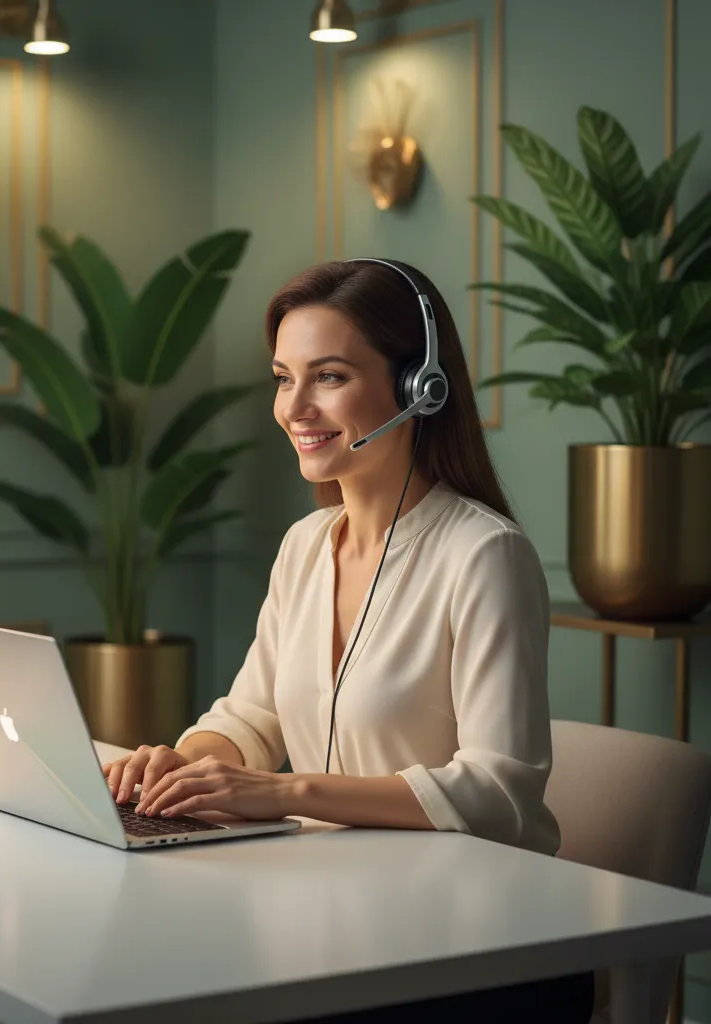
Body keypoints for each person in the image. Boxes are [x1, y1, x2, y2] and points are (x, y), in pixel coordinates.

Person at [101, 260, 595, 1023]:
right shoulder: (305, 544)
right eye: (282, 377)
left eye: (327, 377)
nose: (294, 407)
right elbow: (253, 718)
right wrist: (185, 765)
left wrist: (283, 793)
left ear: (418, 388)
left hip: (476, 947)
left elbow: (499, 792)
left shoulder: (484, 556)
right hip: (338, 915)